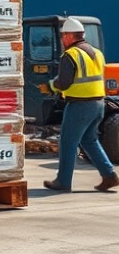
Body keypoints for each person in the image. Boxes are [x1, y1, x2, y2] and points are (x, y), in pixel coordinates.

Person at [44, 17, 119, 192]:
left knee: (67, 142)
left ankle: (63, 182)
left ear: (71, 36)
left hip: (80, 105)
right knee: (89, 140)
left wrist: (50, 86)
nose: (62, 39)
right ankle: (109, 175)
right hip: (99, 104)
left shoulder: (70, 55)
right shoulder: (97, 53)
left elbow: (64, 82)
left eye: (63, 35)